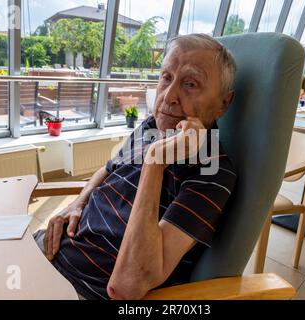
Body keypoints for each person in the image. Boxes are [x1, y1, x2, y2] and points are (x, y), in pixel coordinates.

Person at [34, 33, 238, 300]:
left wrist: (155, 163)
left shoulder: (212, 172)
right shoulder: (151, 127)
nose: (168, 96)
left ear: (224, 102)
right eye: (166, 77)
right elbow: (108, 170)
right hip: (51, 250)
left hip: (81, 289)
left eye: (190, 84)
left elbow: (128, 286)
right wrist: (78, 203)